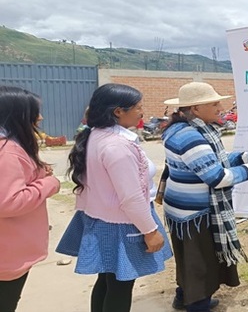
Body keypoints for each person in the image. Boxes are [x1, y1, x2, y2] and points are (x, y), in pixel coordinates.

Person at [161, 82, 248, 312]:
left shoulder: (183, 129)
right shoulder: (191, 137)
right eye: (214, 103)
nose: (220, 106)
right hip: (195, 214)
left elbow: (215, 157)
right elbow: (217, 177)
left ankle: (182, 297)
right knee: (201, 265)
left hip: (181, 210)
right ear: (195, 109)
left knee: (188, 260)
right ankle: (197, 305)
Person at [56, 83, 172, 312]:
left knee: (107, 280)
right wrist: (150, 232)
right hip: (124, 224)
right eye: (138, 107)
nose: (142, 112)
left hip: (102, 220)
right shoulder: (118, 146)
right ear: (118, 111)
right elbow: (131, 197)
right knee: (120, 286)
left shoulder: (96, 136)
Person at [0, 86, 61, 312]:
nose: (40, 117)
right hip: (7, 256)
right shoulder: (7, 152)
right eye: (36, 112)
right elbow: (9, 202)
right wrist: (49, 184)